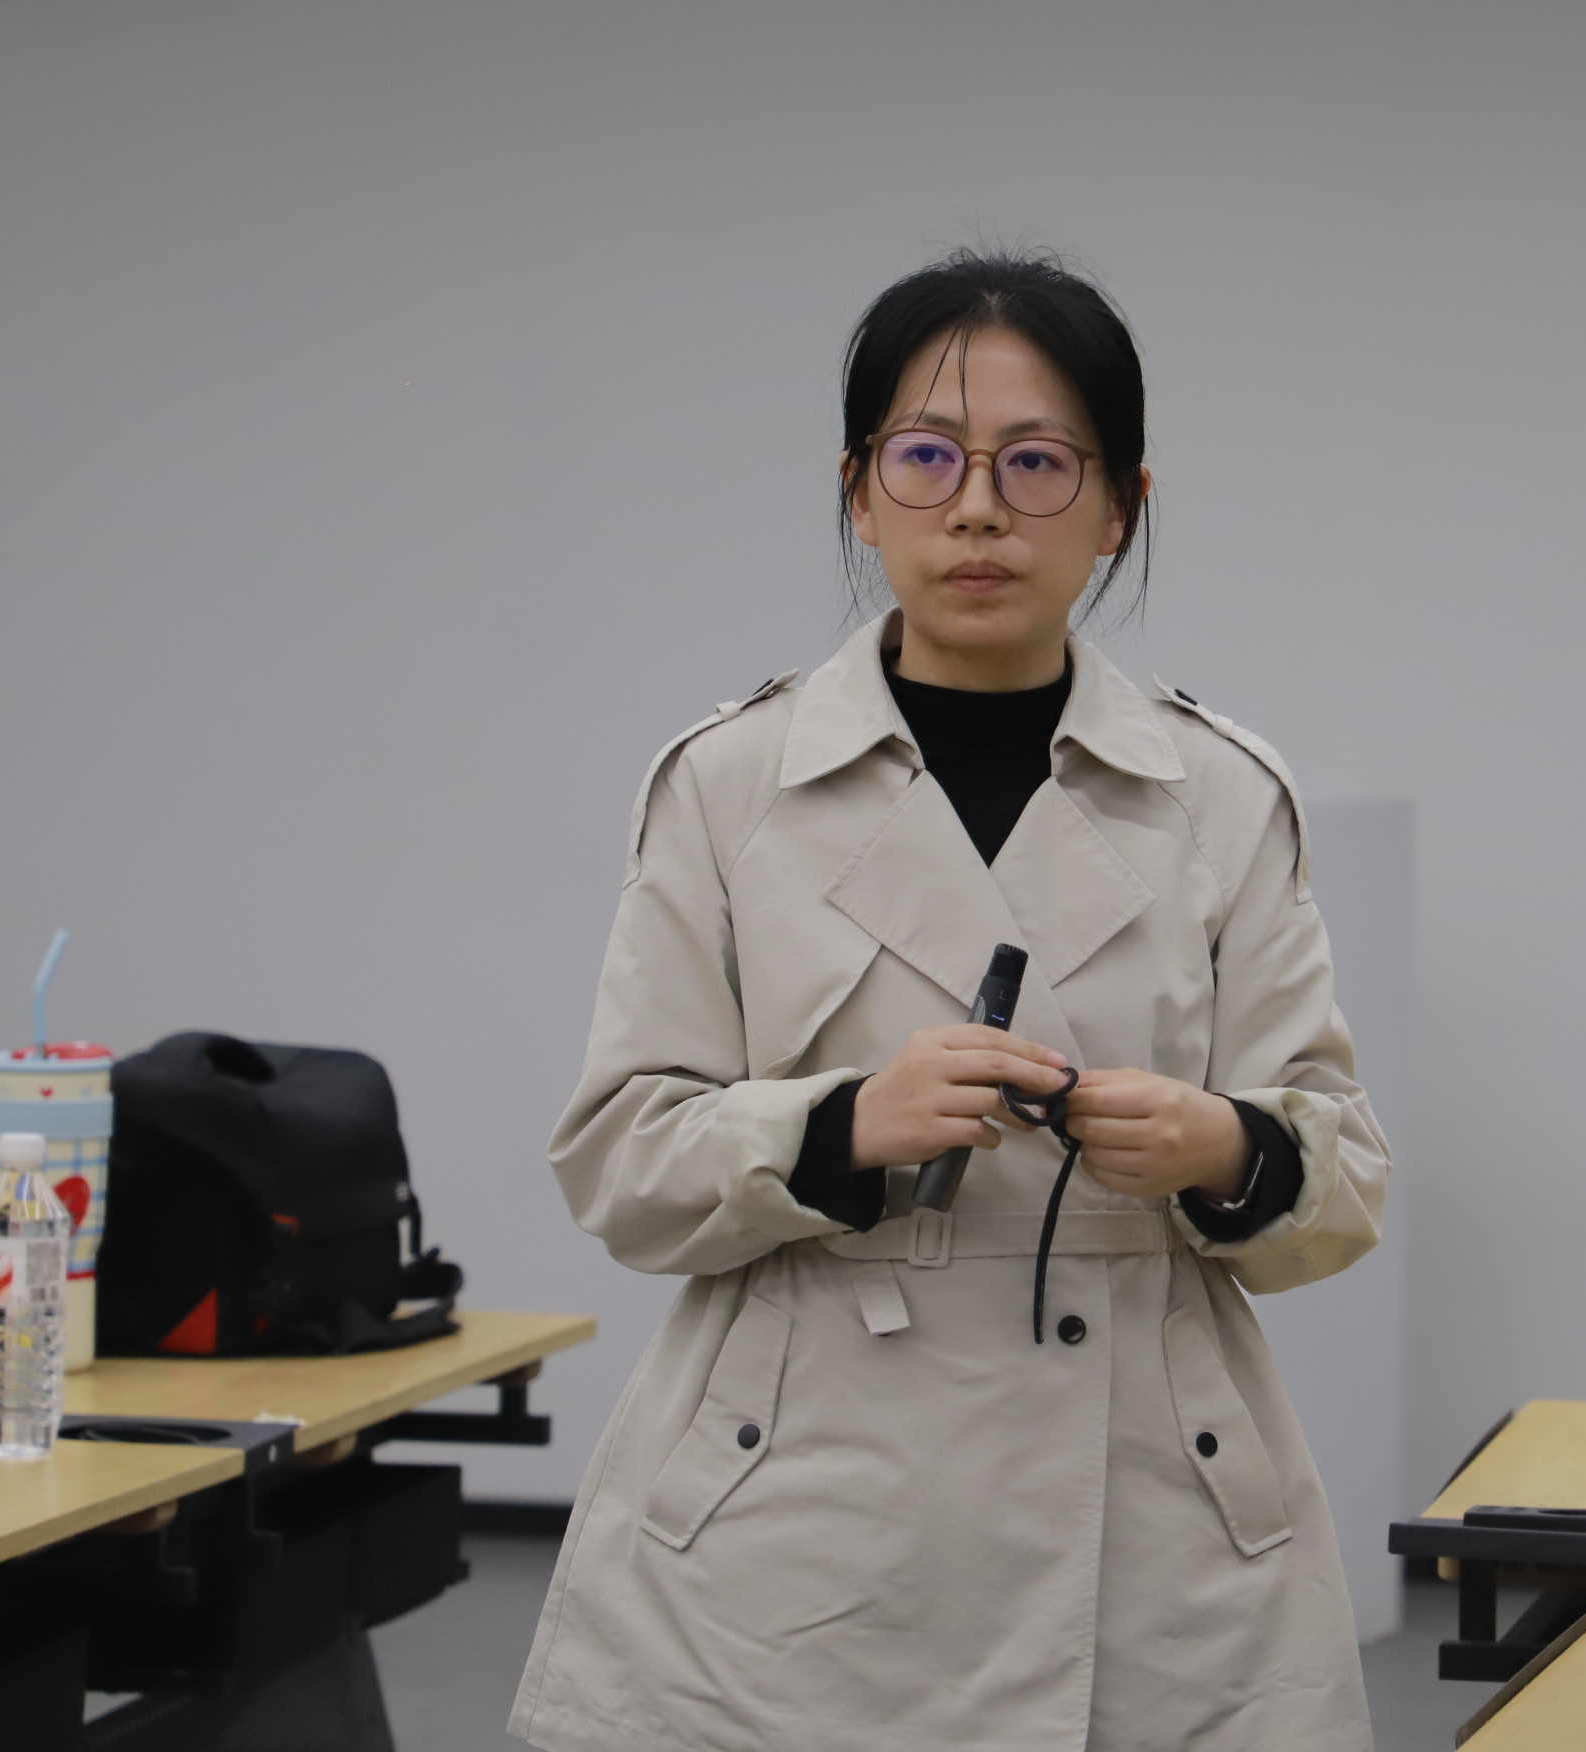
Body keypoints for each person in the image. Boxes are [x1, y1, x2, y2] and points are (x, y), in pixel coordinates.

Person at [508, 251, 1391, 1752]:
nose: (978, 508)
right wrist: (843, 1125)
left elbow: (1344, 1178)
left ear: (1120, 508)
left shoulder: (1223, 797)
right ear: (860, 494)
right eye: (928, 457)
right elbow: (619, 1165)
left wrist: (1222, 1148)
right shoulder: (728, 784)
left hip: (1148, 1519)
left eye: (1038, 463)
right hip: (794, 1519)